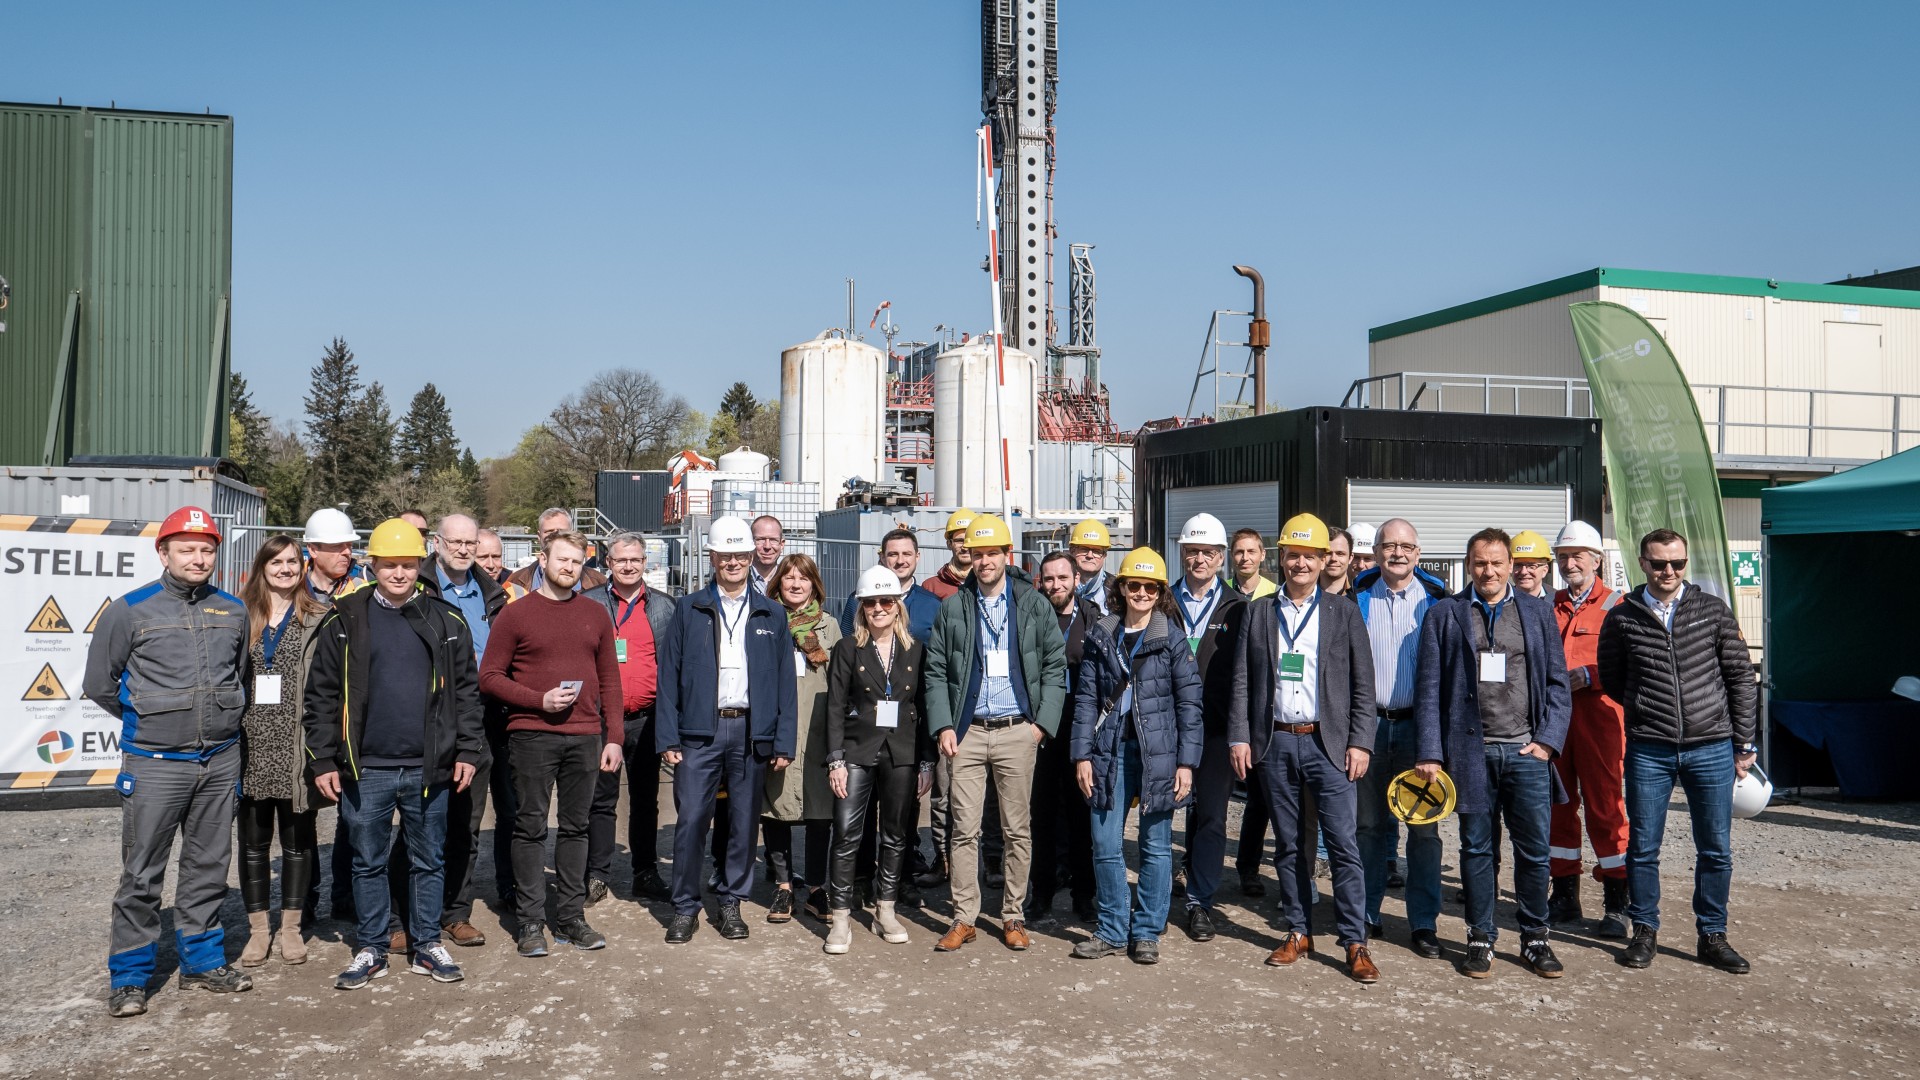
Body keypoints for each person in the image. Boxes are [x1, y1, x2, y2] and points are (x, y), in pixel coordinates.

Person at [85, 506, 254, 1017]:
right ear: (163, 552)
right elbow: (100, 686)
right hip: (155, 763)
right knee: (141, 873)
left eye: (207, 550)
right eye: (187, 549)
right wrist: (155, 721)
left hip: (220, 760)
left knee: (208, 867)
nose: (198, 558)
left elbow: (239, 677)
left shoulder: (234, 610)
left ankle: (202, 964)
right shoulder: (130, 611)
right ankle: (130, 977)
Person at [304, 519, 485, 991]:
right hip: (367, 769)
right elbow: (321, 696)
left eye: (407, 565)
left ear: (419, 565)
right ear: (373, 565)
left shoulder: (446, 620)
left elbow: (466, 693)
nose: (400, 574)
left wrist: (467, 749)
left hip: (429, 768)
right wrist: (323, 759)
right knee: (368, 861)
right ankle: (373, 945)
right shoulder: (344, 619)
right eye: (389, 565)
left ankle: (427, 942)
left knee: (429, 860)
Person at [1414, 528, 1572, 980]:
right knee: (1477, 849)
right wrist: (1430, 751)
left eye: (1497, 563)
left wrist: (1546, 742)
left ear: (1510, 565)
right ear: (1469, 565)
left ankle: (1535, 938)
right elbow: (1428, 690)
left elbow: (1558, 685)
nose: (1489, 571)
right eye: (1480, 563)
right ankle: (1480, 938)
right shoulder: (1445, 614)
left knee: (1534, 852)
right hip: (1470, 753)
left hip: (1526, 752)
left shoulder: (1538, 613)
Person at [1228, 513, 1380, 983]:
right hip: (1276, 743)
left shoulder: (1344, 612)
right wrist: (1239, 735)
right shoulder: (1259, 612)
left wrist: (1360, 742)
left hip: (1328, 745)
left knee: (1343, 846)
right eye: (1293, 555)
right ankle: (1298, 930)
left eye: (1309, 556)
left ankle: (1355, 941)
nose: (1300, 564)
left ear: (1322, 561)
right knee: (1291, 847)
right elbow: (1241, 680)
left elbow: (1362, 683)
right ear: (1283, 558)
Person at [1598, 528, 1757, 974]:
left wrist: (1743, 742)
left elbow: (1741, 677)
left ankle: (1713, 934)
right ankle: (1644, 931)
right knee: (1644, 847)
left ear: (1686, 563)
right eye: (1659, 563)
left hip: (1710, 747)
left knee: (1716, 849)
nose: (1669, 571)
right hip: (1650, 748)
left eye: (1678, 563)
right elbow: (1613, 678)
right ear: (1642, 564)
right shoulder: (1623, 616)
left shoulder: (1712, 611)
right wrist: (1646, 710)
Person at [924, 513, 1068, 953]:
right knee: (964, 829)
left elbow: (1054, 666)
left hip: (1016, 730)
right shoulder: (954, 607)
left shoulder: (1032, 604)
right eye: (977, 553)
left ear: (1007, 555)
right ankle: (964, 916)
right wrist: (944, 724)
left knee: (1016, 829)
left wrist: (1041, 725)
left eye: (992, 553)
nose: (984, 561)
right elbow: (935, 671)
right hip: (967, 732)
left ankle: (1012, 915)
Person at [480, 529, 625, 958]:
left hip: (584, 737)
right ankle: (529, 922)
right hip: (531, 736)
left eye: (577, 562)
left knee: (577, 827)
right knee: (529, 827)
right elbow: (489, 677)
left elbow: (610, 680)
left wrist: (613, 736)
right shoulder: (516, 614)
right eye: (561, 559)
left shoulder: (596, 615)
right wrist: (537, 700)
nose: (569, 568)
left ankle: (570, 917)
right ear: (542, 560)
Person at [656, 516, 800, 944]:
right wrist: (668, 737)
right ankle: (685, 907)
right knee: (691, 822)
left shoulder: (771, 613)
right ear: (713, 557)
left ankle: (732, 901)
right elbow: (669, 677)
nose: (734, 562)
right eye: (726, 555)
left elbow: (784, 685)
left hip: (751, 733)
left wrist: (783, 740)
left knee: (741, 824)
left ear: (751, 556)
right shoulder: (689, 608)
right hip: (699, 733)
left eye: (741, 554)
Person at [1070, 549, 1204, 964]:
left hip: (1159, 755)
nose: (1142, 593)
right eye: (1134, 585)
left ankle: (1146, 931)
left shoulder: (1172, 639)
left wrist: (1187, 763)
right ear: (1121, 588)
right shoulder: (1101, 635)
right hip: (1109, 751)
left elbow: (1190, 705)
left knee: (1156, 845)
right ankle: (1112, 928)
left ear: (1161, 592)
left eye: (1151, 587)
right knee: (1105, 843)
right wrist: (1081, 756)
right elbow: (1087, 701)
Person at [1350, 518, 1450, 959]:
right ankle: (1367, 913)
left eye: (1406, 547)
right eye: (1388, 546)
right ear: (1374, 552)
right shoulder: (1355, 601)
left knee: (1423, 831)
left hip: (1419, 729)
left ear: (1418, 552)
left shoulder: (1438, 603)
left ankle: (1423, 923)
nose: (1397, 553)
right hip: (1368, 726)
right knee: (1368, 827)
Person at [409, 513, 510, 949]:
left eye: (472, 543)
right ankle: (406, 914)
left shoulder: (494, 596)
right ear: (437, 543)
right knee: (420, 821)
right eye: (457, 542)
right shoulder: (418, 589)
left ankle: (455, 912)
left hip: (482, 718)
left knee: (467, 823)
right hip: (429, 717)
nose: (465, 550)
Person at [823, 565, 935, 953]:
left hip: (901, 752)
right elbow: (835, 707)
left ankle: (885, 909)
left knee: (896, 835)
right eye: (870, 602)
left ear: (898, 605)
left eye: (886, 601)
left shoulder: (915, 649)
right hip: (856, 750)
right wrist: (835, 761)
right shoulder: (847, 648)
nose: (878, 608)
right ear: (861, 607)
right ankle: (839, 917)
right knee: (847, 835)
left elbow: (921, 708)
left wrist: (926, 762)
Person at [235, 535, 328, 968]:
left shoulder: (318, 617)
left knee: (298, 843)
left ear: (303, 567)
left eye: (293, 561)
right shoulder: (240, 614)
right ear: (263, 566)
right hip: (250, 744)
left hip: (295, 746)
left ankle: (290, 928)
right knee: (253, 845)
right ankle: (258, 931)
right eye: (277, 562)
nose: (286, 569)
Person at [1546, 521, 1632, 939]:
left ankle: (1618, 903)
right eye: (1563, 556)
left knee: (1606, 808)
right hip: (1556, 723)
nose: (1569, 563)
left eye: (1578, 555)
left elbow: (1633, 664)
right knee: (1558, 808)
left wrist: (1591, 675)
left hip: (1600, 720)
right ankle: (1564, 895)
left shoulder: (1620, 605)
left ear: (1597, 560)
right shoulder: (1549, 605)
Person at [582, 532, 677, 903]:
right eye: (621, 559)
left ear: (645, 563)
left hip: (647, 718)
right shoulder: (589, 604)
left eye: (635, 560)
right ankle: (597, 873)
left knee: (645, 797)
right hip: (602, 719)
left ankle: (645, 871)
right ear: (608, 562)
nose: (628, 566)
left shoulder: (666, 607)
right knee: (601, 798)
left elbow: (674, 665)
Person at [1170, 512, 1248, 944]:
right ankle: (1158, 891)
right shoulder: (1163, 600)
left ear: (1221, 558)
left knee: (1213, 818)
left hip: (1217, 728)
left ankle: (1200, 900)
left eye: (1208, 552)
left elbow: (1247, 675)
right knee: (1161, 814)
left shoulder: (1240, 609)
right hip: (1168, 728)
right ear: (1183, 553)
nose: (1199, 559)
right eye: (1192, 551)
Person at [762, 553, 840, 924]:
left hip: (820, 731)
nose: (795, 584)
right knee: (774, 809)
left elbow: (841, 684)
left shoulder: (829, 626)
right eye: (788, 577)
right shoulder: (765, 621)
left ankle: (815, 888)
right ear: (778, 582)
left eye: (803, 578)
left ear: (814, 584)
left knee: (819, 813)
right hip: (779, 730)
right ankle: (782, 887)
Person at [1028, 551, 1097, 926]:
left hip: (1081, 728)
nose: (1056, 585)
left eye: (1063, 578)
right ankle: (1040, 895)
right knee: (1041, 816)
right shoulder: (1031, 616)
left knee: (1081, 815)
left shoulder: (1094, 619)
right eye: (1049, 579)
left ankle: (1084, 895)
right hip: (1042, 728)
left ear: (1076, 579)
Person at [915, 508, 978, 884]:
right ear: (949, 543)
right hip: (946, 706)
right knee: (943, 788)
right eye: (958, 539)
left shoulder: (991, 584)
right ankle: (944, 857)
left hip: (979, 703)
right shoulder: (932, 589)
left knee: (981, 795)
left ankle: (982, 859)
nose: (965, 546)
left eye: (970, 539)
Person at [839, 528, 943, 641]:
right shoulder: (859, 600)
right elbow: (847, 645)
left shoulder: (933, 604)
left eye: (907, 554)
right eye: (893, 554)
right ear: (882, 557)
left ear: (917, 557)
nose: (900, 561)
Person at [504, 508, 608, 597]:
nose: (555, 536)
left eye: (561, 531)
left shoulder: (598, 582)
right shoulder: (516, 582)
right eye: (549, 532)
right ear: (539, 537)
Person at [301, 507, 366, 605]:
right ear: (313, 550)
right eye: (337, 546)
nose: (347, 552)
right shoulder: (292, 588)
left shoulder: (362, 590)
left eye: (349, 545)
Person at [920, 508, 977, 601]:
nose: (965, 547)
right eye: (959, 541)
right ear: (949, 544)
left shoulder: (988, 584)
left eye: (969, 541)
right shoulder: (930, 587)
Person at [1067, 518, 1114, 608]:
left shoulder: (1117, 590)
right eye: (1084, 549)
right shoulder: (1058, 586)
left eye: (1096, 551)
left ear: (1104, 555)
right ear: (1072, 551)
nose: (1089, 555)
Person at [1228, 527, 1277, 601]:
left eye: (1251, 552)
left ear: (1263, 555)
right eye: (1240, 552)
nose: (1245, 558)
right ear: (1232, 555)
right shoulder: (1220, 590)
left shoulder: (1276, 592)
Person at [748, 514, 786, 595]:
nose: (767, 546)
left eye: (773, 540)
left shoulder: (789, 580)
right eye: (761, 539)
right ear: (750, 543)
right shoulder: (739, 580)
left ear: (782, 545)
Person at [1510, 530, 1553, 598]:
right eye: (1518, 565)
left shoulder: (1558, 602)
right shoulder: (1500, 602)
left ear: (1545, 570)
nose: (1523, 572)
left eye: (1531, 566)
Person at [1320, 526, 1356, 596]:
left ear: (1350, 558)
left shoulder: (1361, 598)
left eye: (1340, 554)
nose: (1333, 559)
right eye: (1328, 553)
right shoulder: (1303, 595)